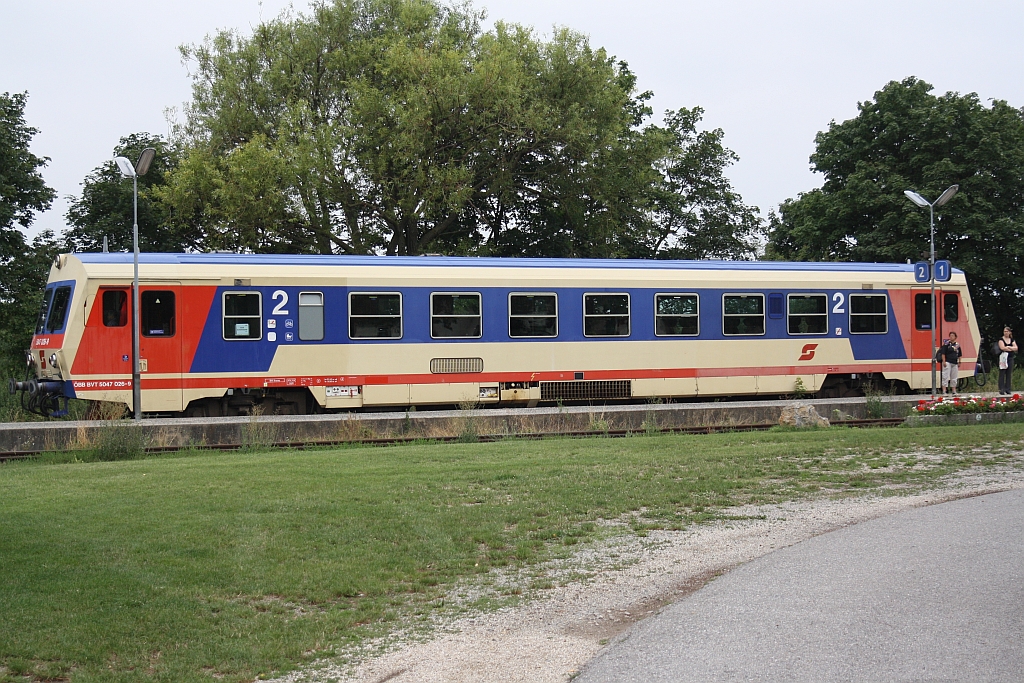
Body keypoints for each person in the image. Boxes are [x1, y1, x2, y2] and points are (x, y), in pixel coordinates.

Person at [997, 327, 1018, 395]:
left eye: (1007, 331)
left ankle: (1008, 389)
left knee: (1009, 373)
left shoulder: (1012, 340)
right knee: (1002, 373)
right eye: (1004, 331)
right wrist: (1011, 348)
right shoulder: (1001, 339)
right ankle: (1001, 389)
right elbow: (1002, 348)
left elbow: (1016, 348)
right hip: (1003, 358)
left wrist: (1008, 347)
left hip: (1010, 358)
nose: (1005, 333)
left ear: (1009, 332)